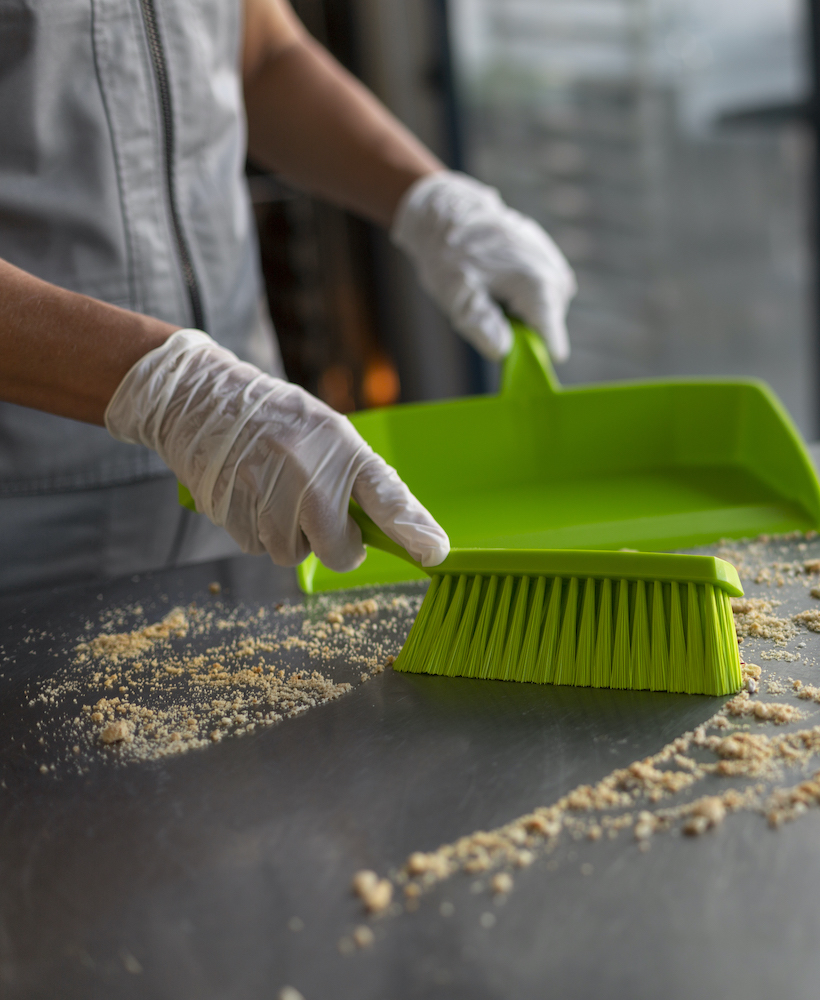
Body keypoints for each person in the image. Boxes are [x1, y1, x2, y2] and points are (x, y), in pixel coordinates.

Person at [0, 0, 576, 594]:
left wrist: (427, 201)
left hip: (248, 473)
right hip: (26, 508)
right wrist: (166, 387)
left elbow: (260, 52)